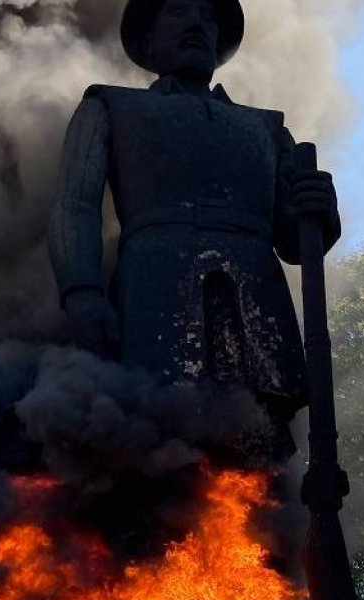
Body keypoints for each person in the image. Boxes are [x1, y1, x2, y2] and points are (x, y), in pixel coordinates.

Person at [50, 0, 340, 457]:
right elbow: (76, 204)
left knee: (258, 447)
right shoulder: (112, 107)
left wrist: (320, 210)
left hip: (254, 293)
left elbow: (297, 243)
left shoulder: (265, 129)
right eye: (178, 11)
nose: (196, 24)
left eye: (207, 16)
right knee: (152, 434)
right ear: (146, 41)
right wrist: (81, 291)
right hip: (155, 286)